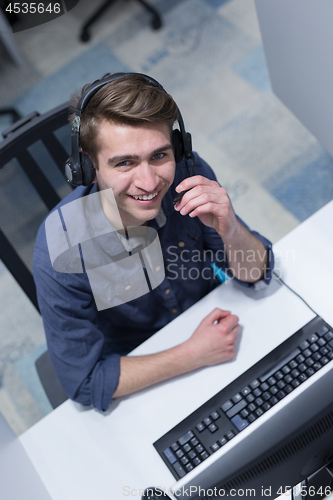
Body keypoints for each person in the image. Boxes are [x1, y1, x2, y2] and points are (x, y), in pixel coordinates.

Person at [33, 73, 274, 411]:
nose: (149, 183)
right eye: (125, 163)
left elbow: (255, 274)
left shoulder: (187, 175)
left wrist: (230, 226)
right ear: (88, 166)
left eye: (159, 156)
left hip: (212, 324)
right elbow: (85, 381)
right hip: (141, 369)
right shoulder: (59, 248)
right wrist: (192, 354)